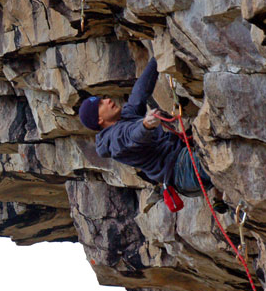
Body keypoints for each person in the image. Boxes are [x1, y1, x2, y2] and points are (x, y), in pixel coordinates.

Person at [78, 57, 212, 194]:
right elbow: (131, 137)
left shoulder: (125, 116)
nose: (107, 100)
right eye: (101, 104)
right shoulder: (112, 141)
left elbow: (140, 92)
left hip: (183, 161)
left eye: (103, 99)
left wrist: (156, 59)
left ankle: (220, 198)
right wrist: (145, 125)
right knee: (218, 153)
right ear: (99, 120)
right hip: (181, 170)